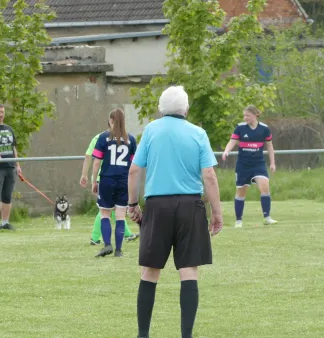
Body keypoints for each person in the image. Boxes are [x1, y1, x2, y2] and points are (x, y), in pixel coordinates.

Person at [127, 85, 223, 338]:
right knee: (189, 270)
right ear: (186, 108)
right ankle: (186, 334)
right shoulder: (198, 133)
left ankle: (143, 334)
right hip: (190, 206)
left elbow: (135, 170)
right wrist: (217, 212)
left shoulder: (151, 130)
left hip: (157, 206)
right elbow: (209, 176)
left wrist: (132, 204)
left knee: (150, 270)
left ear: (161, 108)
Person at [80, 127, 139, 245]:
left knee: (111, 208)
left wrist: (84, 175)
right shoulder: (125, 138)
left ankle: (126, 233)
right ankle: (95, 237)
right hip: (106, 177)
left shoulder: (99, 137)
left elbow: (88, 156)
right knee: (107, 209)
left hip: (103, 177)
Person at [90, 108, 137, 258]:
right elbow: (133, 166)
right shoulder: (131, 139)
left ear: (111, 121)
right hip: (123, 181)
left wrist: (94, 180)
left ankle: (107, 245)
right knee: (121, 216)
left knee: (105, 213)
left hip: (107, 180)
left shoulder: (103, 138)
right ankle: (118, 251)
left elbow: (97, 161)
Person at [222, 105, 277, 228]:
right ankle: (238, 221)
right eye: (244, 115)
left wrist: (272, 163)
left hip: (258, 164)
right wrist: (227, 150)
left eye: (247, 115)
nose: (245, 117)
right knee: (241, 192)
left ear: (255, 115)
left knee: (265, 187)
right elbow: (232, 141)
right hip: (243, 165)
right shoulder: (240, 128)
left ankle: (267, 217)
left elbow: (269, 146)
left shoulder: (264, 129)